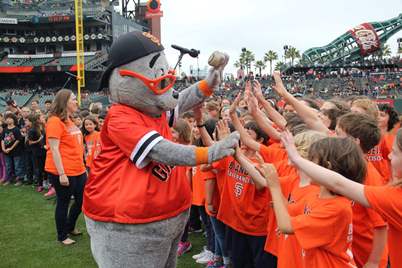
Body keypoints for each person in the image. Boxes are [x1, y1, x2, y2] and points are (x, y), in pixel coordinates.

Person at [281, 128, 402, 268]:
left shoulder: (395, 198)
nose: (389, 156)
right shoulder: (394, 192)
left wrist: (296, 158)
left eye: (395, 152)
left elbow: (338, 184)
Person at [44, 89, 87, 245]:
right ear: (64, 102)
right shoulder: (54, 121)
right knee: (63, 202)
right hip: (63, 171)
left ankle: (70, 226)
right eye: (73, 99)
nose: (76, 101)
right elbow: (54, 149)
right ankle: (62, 235)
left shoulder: (69, 121)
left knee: (81, 200)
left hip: (79, 169)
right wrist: (62, 174)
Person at [1, 113, 25, 186]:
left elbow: (18, 140)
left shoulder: (16, 129)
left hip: (16, 151)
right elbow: (2, 139)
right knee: (8, 166)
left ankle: (19, 179)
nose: (8, 120)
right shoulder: (5, 130)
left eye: (10, 118)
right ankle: (9, 179)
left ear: (14, 120)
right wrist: (3, 148)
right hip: (6, 152)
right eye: (7, 118)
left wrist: (11, 148)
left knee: (17, 166)